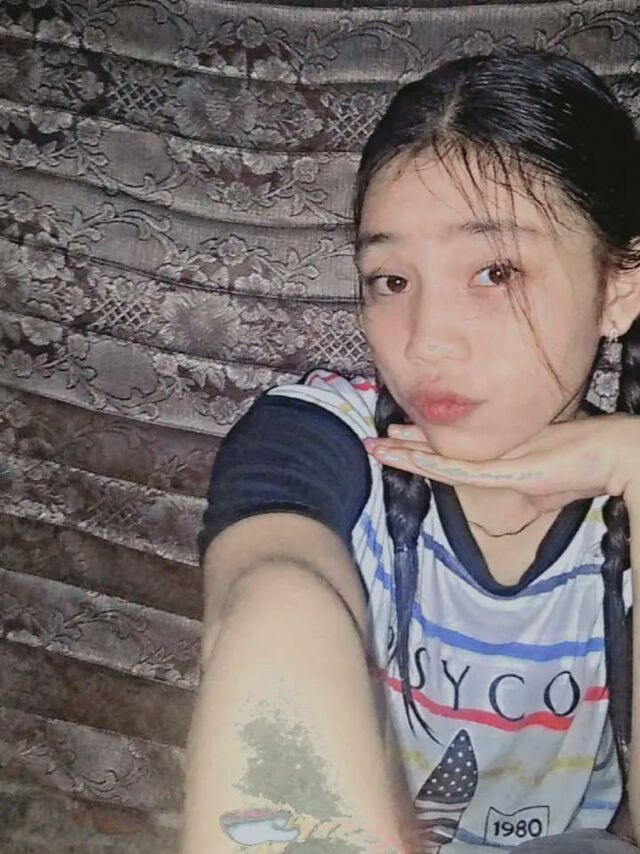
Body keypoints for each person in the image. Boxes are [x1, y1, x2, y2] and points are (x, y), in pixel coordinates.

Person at [182, 50, 640, 853]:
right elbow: (273, 600)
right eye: (391, 280)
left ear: (620, 288)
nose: (425, 341)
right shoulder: (321, 438)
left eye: (495, 271)